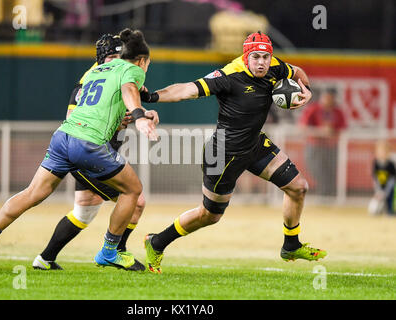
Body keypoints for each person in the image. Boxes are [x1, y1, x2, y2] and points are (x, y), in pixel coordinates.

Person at [0, 28, 158, 272]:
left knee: (34, 192)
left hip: (63, 137)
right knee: (134, 192)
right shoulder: (130, 70)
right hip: (89, 144)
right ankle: (110, 251)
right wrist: (139, 117)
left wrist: (137, 113)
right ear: (140, 59)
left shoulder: (95, 72)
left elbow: (115, 102)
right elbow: (129, 91)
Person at [140, 31, 327, 274]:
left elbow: (298, 71)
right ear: (246, 56)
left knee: (298, 187)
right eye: (256, 57)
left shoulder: (275, 66)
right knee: (209, 215)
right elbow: (187, 89)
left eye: (266, 57)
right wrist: (152, 96)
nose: (262, 62)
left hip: (254, 145)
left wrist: (307, 89)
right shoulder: (228, 76)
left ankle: (291, 245)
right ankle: (156, 242)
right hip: (223, 154)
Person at [32, 33, 148, 271]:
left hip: (95, 151)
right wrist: (128, 119)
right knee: (136, 200)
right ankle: (115, 252)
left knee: (84, 209)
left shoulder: (113, 75)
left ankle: (45, 259)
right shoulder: (91, 79)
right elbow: (74, 120)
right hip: (89, 151)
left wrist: (138, 114)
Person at [298, 88, 347, 196]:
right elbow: (303, 126)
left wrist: (332, 131)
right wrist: (319, 131)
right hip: (314, 146)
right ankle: (323, 191)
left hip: (331, 147)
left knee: (331, 171)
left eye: (331, 98)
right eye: (326, 97)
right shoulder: (313, 109)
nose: (328, 100)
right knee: (315, 169)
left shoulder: (338, 112)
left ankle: (328, 194)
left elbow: (343, 129)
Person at [370, 140, 395, 216]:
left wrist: (387, 190)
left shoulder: (390, 164)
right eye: (379, 151)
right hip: (380, 185)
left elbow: (392, 178)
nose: (381, 153)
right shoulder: (376, 163)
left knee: (389, 198)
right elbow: (375, 177)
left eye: (384, 151)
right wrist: (378, 189)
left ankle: (390, 211)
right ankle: (377, 211)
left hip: (390, 185)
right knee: (378, 197)